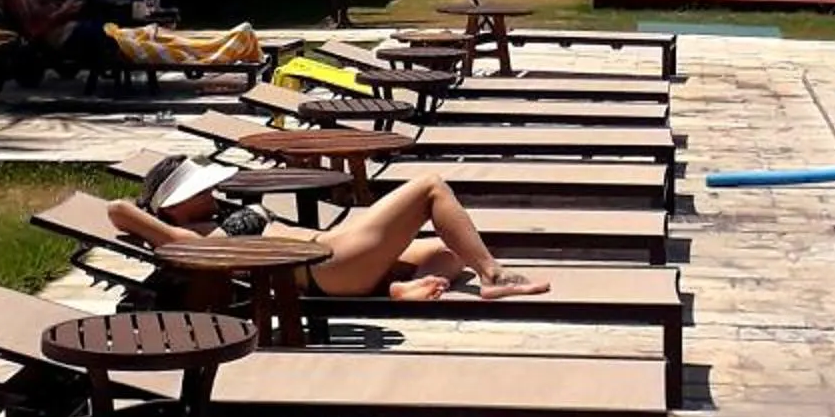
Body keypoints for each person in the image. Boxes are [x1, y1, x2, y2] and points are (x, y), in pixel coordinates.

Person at [112, 153, 551, 301]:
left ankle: (397, 290)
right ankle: (494, 276)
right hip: (327, 264)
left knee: (447, 251)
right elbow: (118, 209)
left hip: (335, 257)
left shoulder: (212, 222)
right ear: (171, 206)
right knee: (430, 188)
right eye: (197, 190)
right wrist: (155, 214)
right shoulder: (191, 239)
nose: (209, 193)